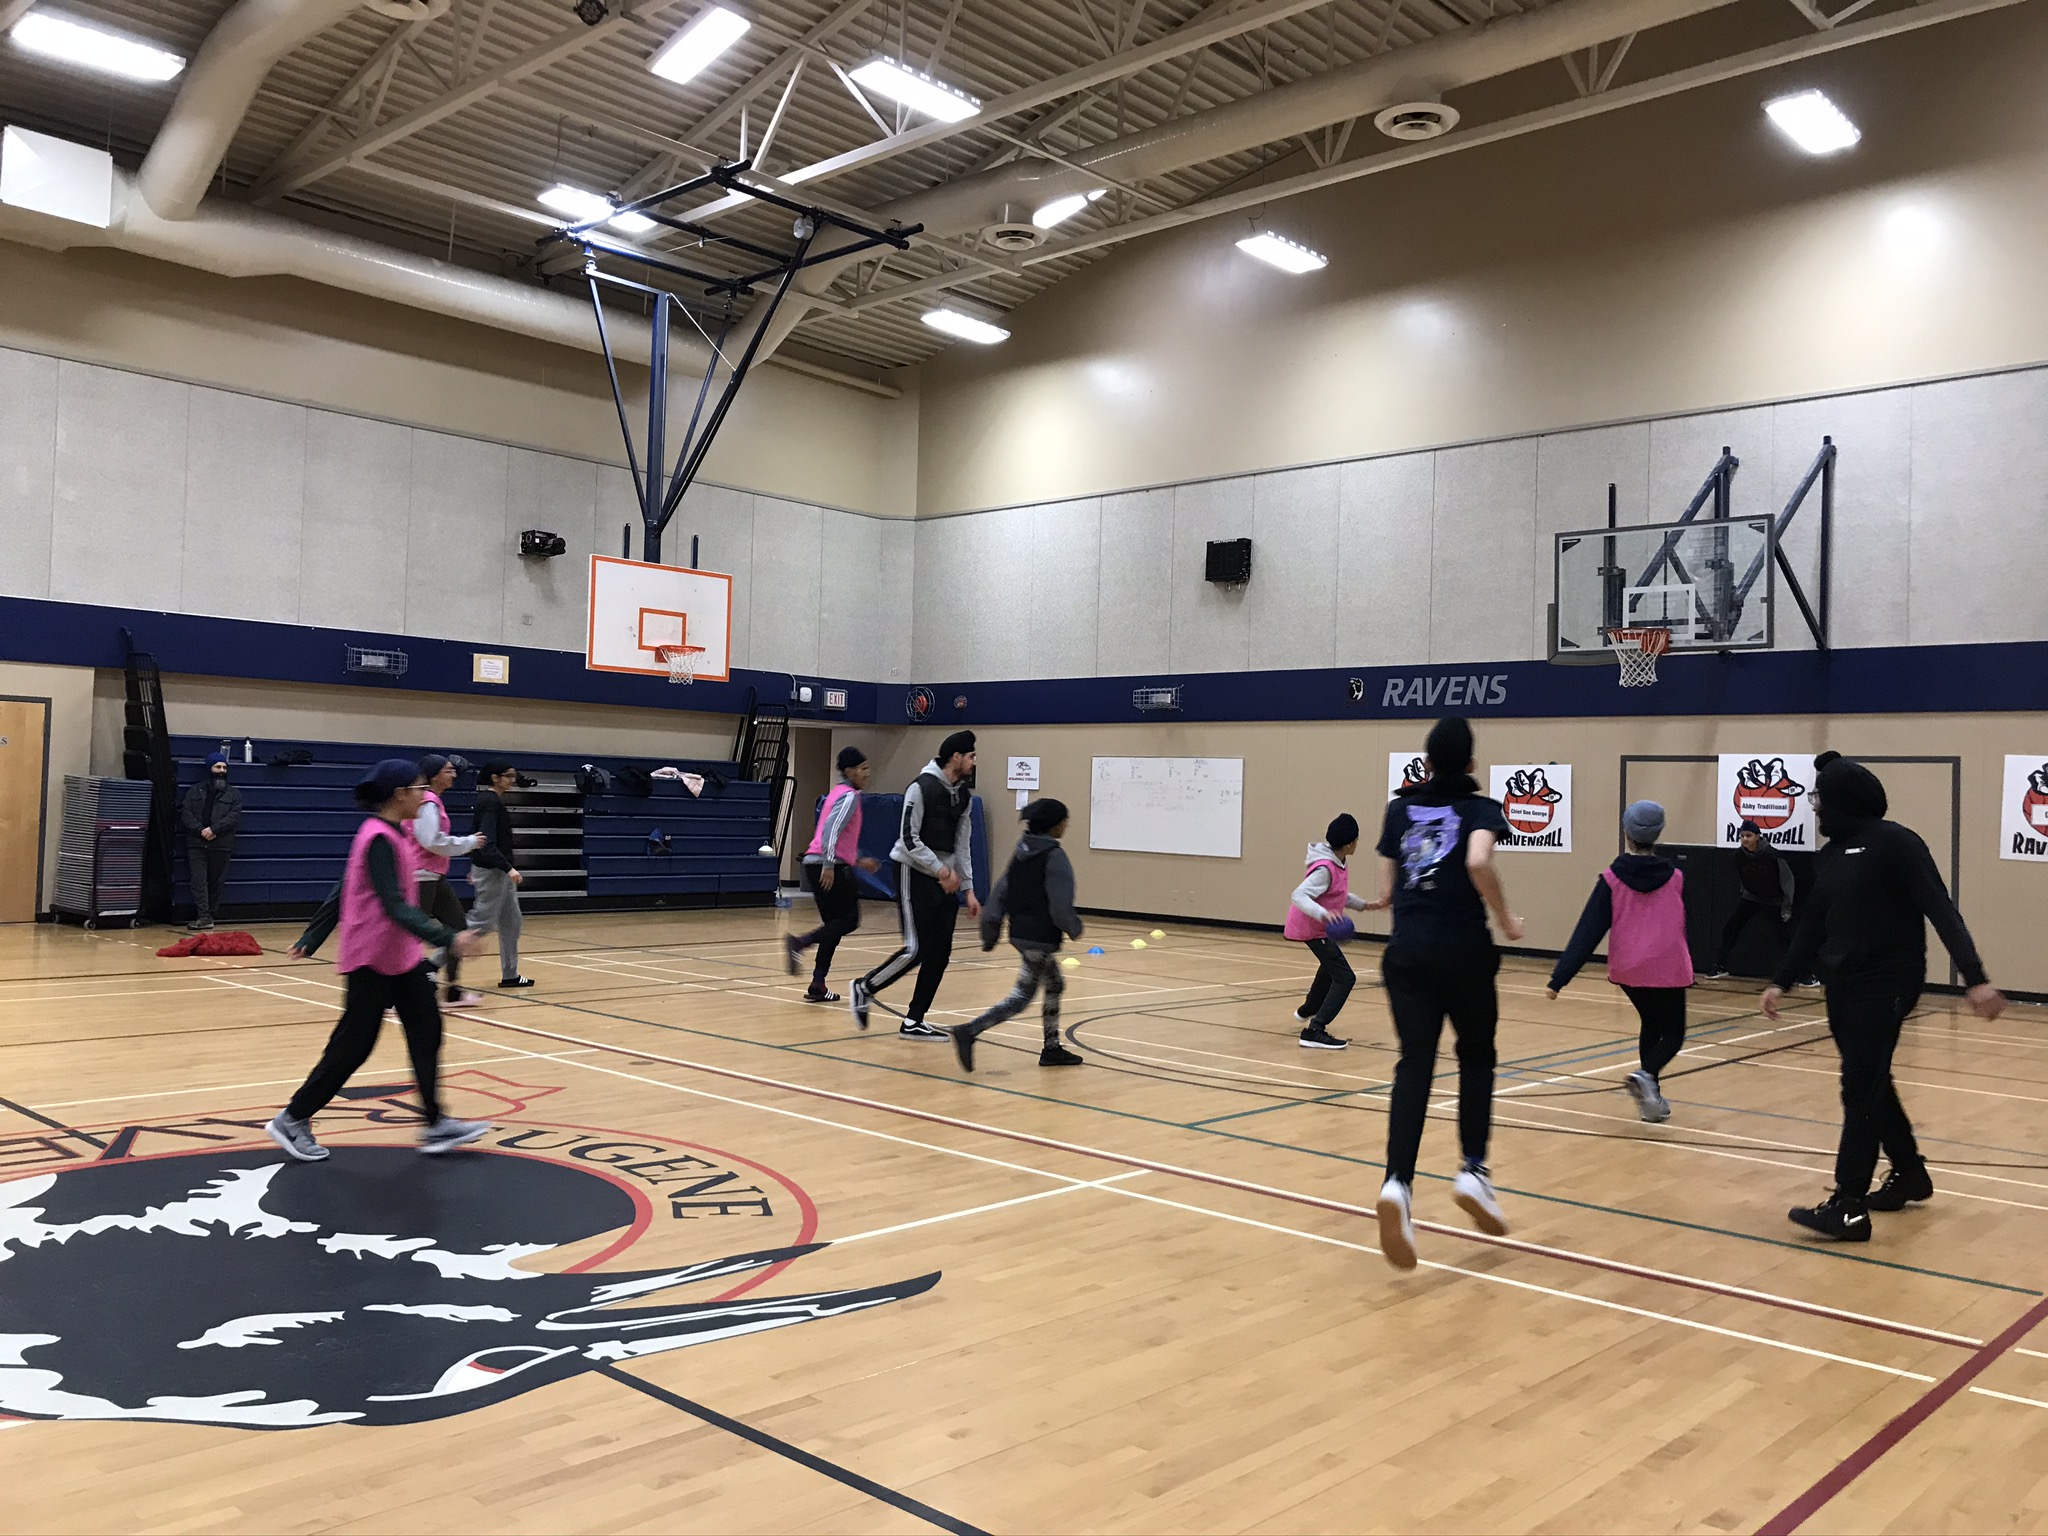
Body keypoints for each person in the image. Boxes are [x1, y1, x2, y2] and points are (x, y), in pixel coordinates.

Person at [1762, 757, 2005, 1241]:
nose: (1815, 808)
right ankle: (1910, 1173)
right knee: (1871, 1082)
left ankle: (1848, 1205)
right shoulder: (1830, 856)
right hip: (1843, 984)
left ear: (1842, 801)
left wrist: (1975, 978)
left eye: (1820, 799)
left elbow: (1941, 909)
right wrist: (1781, 980)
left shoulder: (1897, 843)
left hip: (1888, 982)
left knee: (1858, 1087)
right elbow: (1812, 924)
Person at [267, 759, 490, 1162]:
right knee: (353, 1045)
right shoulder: (379, 838)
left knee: (426, 1029)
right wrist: (450, 937)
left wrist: (313, 936)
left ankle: (436, 1123)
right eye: (420, 789)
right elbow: (394, 906)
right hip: (372, 957)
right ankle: (293, 1118)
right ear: (399, 794)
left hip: (400, 957)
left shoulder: (394, 833)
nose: (425, 797)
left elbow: (346, 885)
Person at [1367, 716, 1523, 1272]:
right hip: (1464, 951)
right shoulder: (1481, 810)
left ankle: (1396, 1184)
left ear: (1427, 763)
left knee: (1415, 1063)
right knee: (1476, 1056)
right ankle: (1473, 1170)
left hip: (1408, 952)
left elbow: (1387, 890)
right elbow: (1478, 860)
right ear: (1472, 764)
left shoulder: (1399, 810)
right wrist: (1505, 918)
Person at [1547, 800, 1694, 1123]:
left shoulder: (1611, 879)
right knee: (1673, 1034)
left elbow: (1588, 930)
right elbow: (1686, 922)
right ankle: (1646, 1074)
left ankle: (1651, 1102)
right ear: (1658, 833)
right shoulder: (1676, 877)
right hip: (1667, 966)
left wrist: (1561, 977)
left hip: (1629, 968)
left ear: (1627, 833)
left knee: (1651, 1023)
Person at [851, 732, 980, 1038]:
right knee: (916, 948)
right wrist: (941, 871)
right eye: (971, 756)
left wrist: (969, 889)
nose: (974, 762)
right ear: (955, 757)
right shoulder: (920, 788)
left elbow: (962, 845)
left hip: (944, 878)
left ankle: (914, 1020)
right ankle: (864, 987)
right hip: (913, 871)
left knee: (941, 952)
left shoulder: (964, 797)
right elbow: (909, 839)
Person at [949, 799, 1086, 1072]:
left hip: (1021, 934)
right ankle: (970, 1031)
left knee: (1055, 983)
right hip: (1039, 937)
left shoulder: (1021, 853)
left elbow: (999, 894)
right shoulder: (1054, 857)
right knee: (1021, 996)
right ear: (1055, 825)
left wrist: (990, 932)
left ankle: (1051, 1047)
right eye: (1065, 821)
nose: (1066, 826)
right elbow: (1060, 905)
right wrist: (1073, 927)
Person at [785, 747, 883, 1003]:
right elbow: (831, 831)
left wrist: (858, 859)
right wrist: (829, 865)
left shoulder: (836, 793)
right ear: (849, 771)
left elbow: (838, 837)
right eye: (862, 769)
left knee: (833, 926)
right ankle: (801, 942)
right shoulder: (849, 796)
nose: (867, 773)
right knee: (849, 920)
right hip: (827, 866)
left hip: (820, 863)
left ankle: (818, 984)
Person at [1284, 813, 1370, 1050]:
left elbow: (1338, 894)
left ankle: (1309, 1009)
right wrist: (1324, 914)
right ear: (1350, 844)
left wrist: (1364, 905)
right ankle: (1315, 1030)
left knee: (1330, 967)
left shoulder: (1338, 861)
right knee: (1345, 978)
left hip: (1320, 929)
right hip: (1312, 927)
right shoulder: (1324, 867)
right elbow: (1299, 895)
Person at [413, 754, 486, 1005]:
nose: (454, 774)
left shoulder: (433, 801)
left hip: (434, 877)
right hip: (420, 877)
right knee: (411, 936)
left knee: (458, 929)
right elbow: (431, 841)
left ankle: (453, 991)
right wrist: (468, 842)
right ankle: (393, 996)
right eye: (448, 770)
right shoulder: (426, 803)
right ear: (434, 776)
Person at [467, 762, 532, 990]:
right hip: (495, 872)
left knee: (512, 921)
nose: (513, 780)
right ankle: (432, 965)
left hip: (497, 871)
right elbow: (486, 842)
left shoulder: (491, 801)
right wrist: (508, 868)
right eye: (509, 776)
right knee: (481, 924)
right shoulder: (490, 802)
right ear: (495, 778)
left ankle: (510, 974)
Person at [1703, 819, 1794, 979]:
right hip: (1751, 897)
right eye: (1742, 836)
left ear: (1757, 837)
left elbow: (1787, 882)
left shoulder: (1772, 855)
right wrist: (1744, 891)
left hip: (1773, 900)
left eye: (1749, 835)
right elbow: (1742, 876)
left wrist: (1786, 906)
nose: (1745, 839)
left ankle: (1803, 974)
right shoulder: (1739, 855)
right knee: (1731, 927)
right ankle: (1720, 966)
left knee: (1783, 937)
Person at [178, 752, 242, 931]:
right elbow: (185, 813)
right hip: (197, 843)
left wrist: (214, 830)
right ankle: (203, 916)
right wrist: (201, 830)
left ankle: (210, 914)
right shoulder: (195, 791)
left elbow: (233, 817)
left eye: (224, 767)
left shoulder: (234, 794)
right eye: (217, 767)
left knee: (216, 882)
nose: (221, 771)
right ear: (209, 769)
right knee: (198, 881)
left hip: (221, 844)